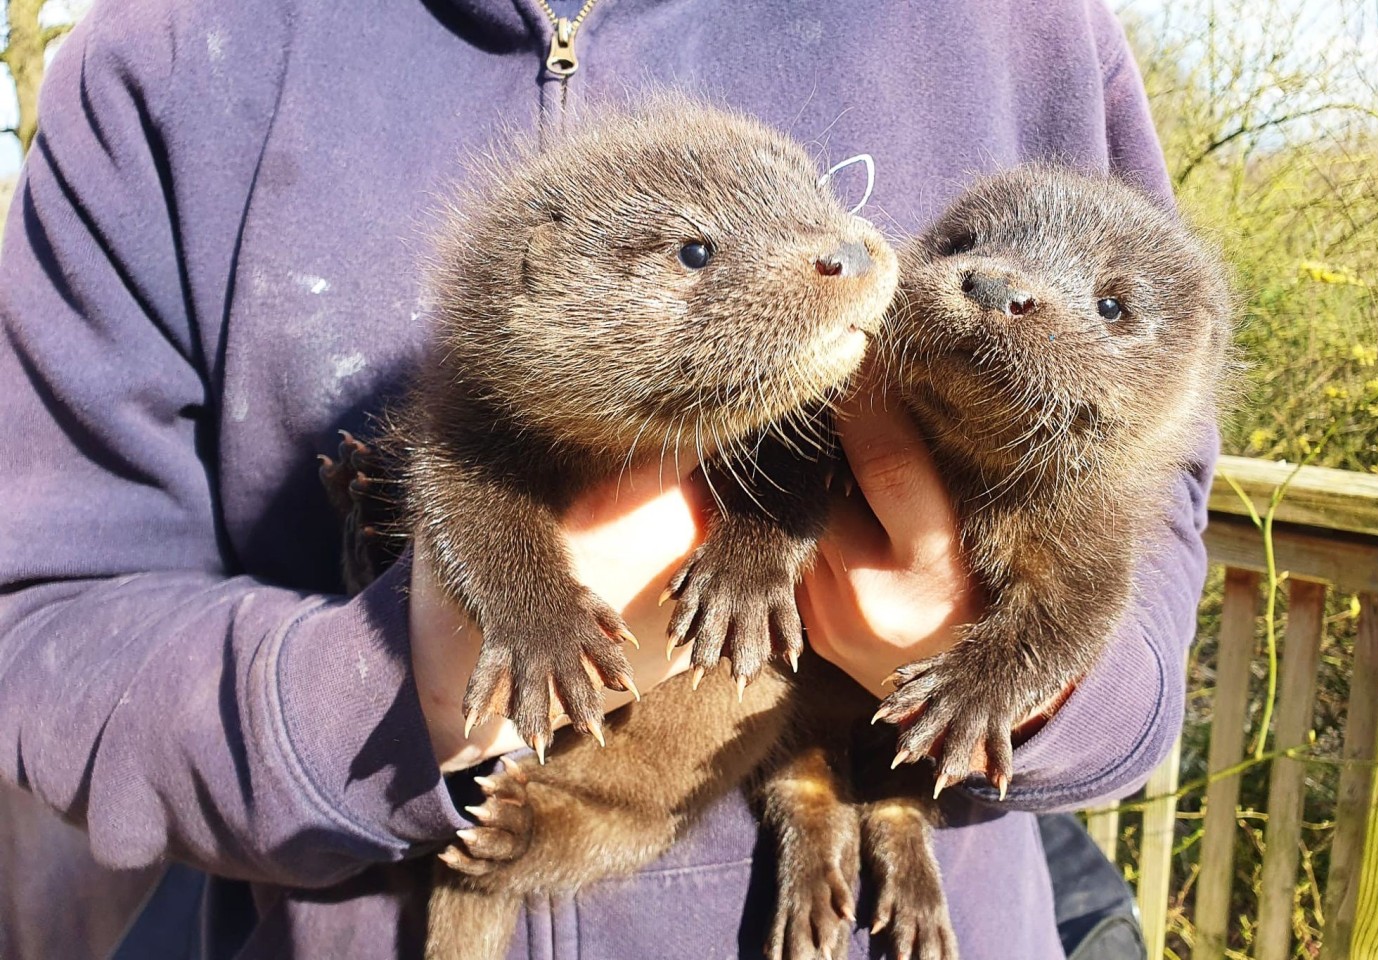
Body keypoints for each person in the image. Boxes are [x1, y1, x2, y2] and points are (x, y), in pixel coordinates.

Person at [0, 0, 1212, 957]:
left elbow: (1157, 466)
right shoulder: (166, 52)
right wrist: (398, 689)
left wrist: (1018, 689)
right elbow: (44, 625)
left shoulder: (1014, 24)